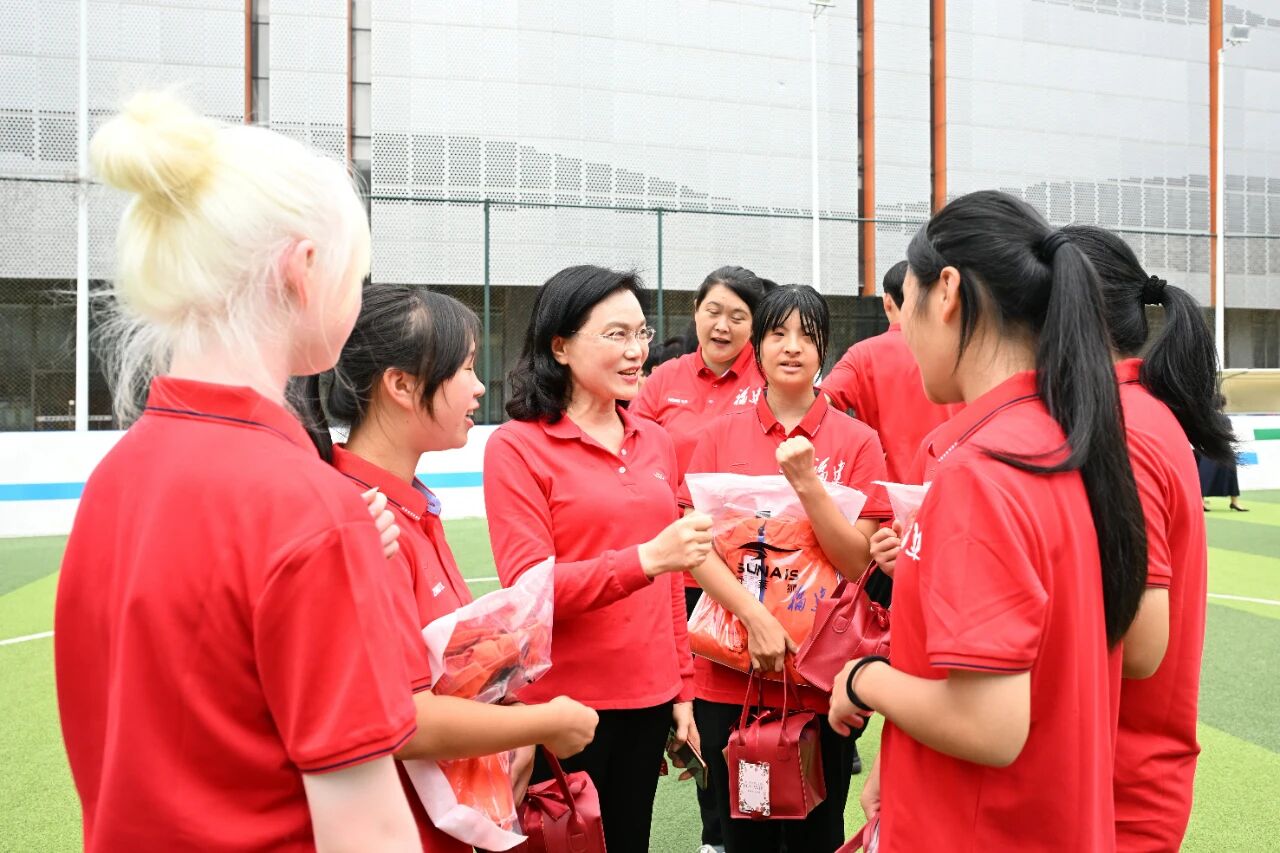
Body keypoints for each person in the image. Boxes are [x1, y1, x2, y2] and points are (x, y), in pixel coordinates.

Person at [55, 92, 423, 850]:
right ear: (304, 269)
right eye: (357, 276)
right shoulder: (310, 507)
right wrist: (335, 545)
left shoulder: (115, 478)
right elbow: (368, 832)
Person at [829, 190, 1151, 851]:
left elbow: (989, 725)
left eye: (906, 305)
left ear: (946, 292)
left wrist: (863, 679)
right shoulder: (1064, 440)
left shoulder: (982, 471)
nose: (905, 334)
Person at [292, 284, 600, 851]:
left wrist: (509, 719)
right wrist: (542, 724)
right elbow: (406, 720)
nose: (479, 386)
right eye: (465, 368)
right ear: (401, 385)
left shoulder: (407, 506)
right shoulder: (363, 521)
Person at [483, 265, 714, 853]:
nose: (637, 351)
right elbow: (532, 591)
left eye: (641, 333)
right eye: (616, 334)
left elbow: (669, 583)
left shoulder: (653, 439)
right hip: (559, 710)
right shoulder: (516, 447)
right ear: (559, 346)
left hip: (648, 700)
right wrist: (645, 558)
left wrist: (682, 688)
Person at [682, 284, 891, 853]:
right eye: (778, 333)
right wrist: (754, 619)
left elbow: (856, 561)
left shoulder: (858, 442)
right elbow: (695, 547)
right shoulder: (718, 435)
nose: (792, 346)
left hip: (821, 680)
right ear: (757, 346)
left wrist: (808, 486)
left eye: (808, 335)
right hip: (730, 674)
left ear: (826, 348)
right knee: (742, 833)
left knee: (815, 834)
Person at [1065, 224, 1236, 851]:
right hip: (1114, 780)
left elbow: (1140, 648)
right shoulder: (1130, 411)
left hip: (1119, 791)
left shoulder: (1123, 428)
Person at [630, 265, 772, 853]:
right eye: (713, 310)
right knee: (696, 713)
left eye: (739, 316)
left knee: (748, 708)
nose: (723, 325)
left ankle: (748, 825)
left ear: (755, 326)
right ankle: (715, 834)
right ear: (696, 311)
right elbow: (631, 448)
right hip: (679, 569)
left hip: (752, 572)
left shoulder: (768, 378)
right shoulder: (664, 380)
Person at [821, 260, 959, 482]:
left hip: (885, 494)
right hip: (950, 487)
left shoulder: (862, 355)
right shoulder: (960, 352)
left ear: (887, 301)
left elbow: (818, 405)